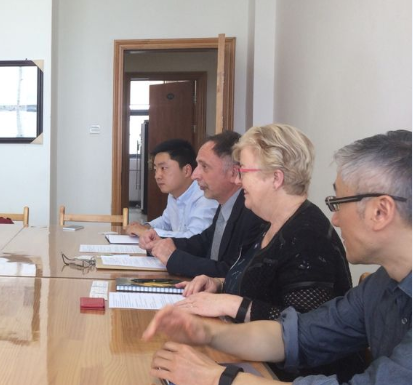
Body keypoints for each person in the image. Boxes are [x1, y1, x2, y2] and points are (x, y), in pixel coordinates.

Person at [143, 130, 411, 385]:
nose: (334, 218)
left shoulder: (310, 236)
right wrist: (208, 334)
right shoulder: (382, 285)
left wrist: (217, 379)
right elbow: (296, 334)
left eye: (339, 203)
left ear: (380, 211)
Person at [175, 124, 352, 324]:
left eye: (243, 172)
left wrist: (232, 304)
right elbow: (260, 287)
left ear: (276, 178)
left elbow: (306, 325)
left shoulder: (308, 238)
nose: (238, 181)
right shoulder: (270, 222)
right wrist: (218, 284)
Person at [140, 131, 266, 278]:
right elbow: (203, 242)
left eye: (204, 167)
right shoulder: (225, 204)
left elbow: (233, 273)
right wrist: (161, 245)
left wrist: (174, 258)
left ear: (233, 173)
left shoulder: (252, 213)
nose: (195, 175)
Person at [126, 139, 217, 238]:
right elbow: (166, 222)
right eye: (156, 169)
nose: (157, 176)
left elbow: (193, 237)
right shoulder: (174, 194)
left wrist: (148, 233)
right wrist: (146, 226)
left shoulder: (205, 197)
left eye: (163, 168)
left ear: (186, 171)